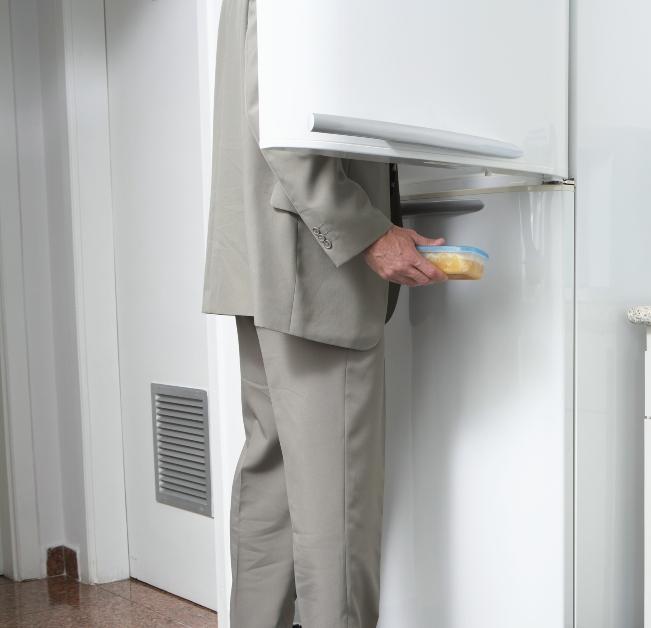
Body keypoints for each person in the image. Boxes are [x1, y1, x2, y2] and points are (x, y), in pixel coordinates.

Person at [202, 0, 447, 625]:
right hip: (311, 271)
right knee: (334, 513)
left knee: (275, 487)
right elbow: (286, 119)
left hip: (261, 260)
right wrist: (366, 230)